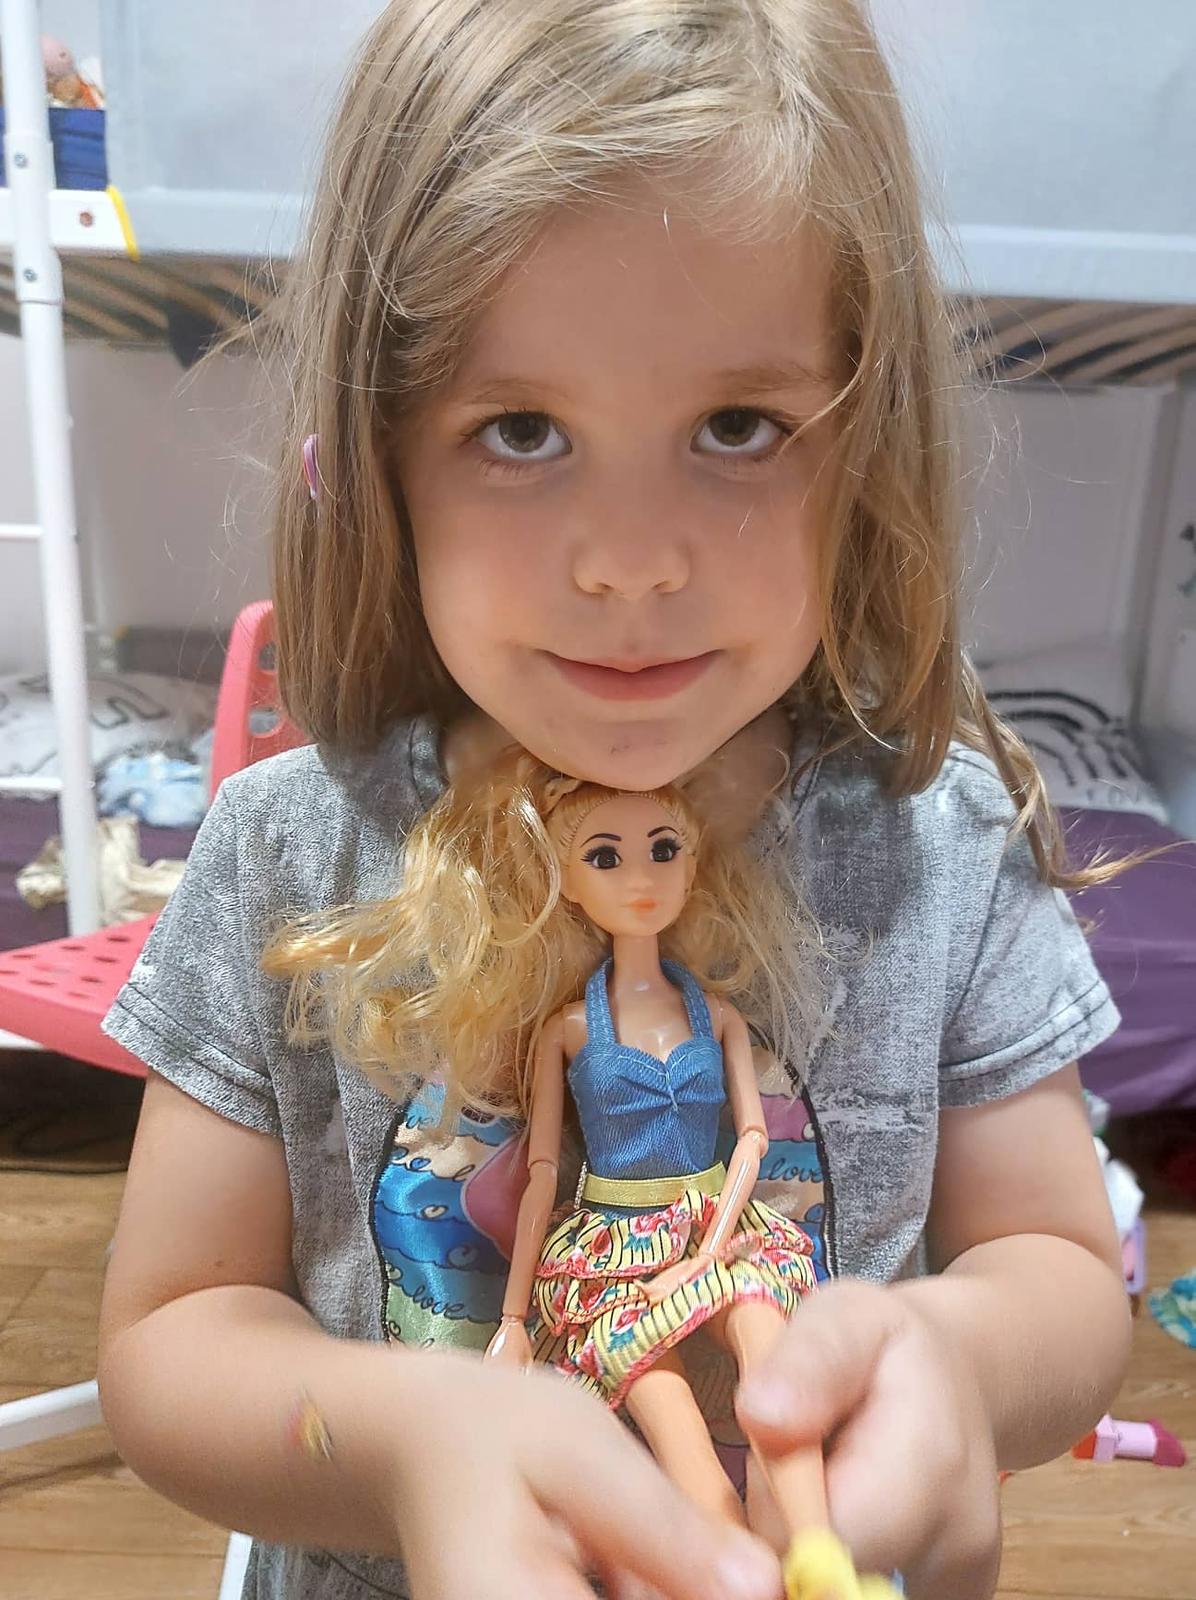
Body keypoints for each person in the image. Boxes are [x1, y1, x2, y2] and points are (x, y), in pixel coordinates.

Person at [95, 4, 1131, 1599]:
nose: (632, 562)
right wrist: (410, 1442)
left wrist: (955, 1361)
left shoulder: (944, 845)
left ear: (865, 448)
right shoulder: (286, 852)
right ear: (375, 460)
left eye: (738, 428)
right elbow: (171, 1337)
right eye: (522, 431)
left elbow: (1057, 1265)